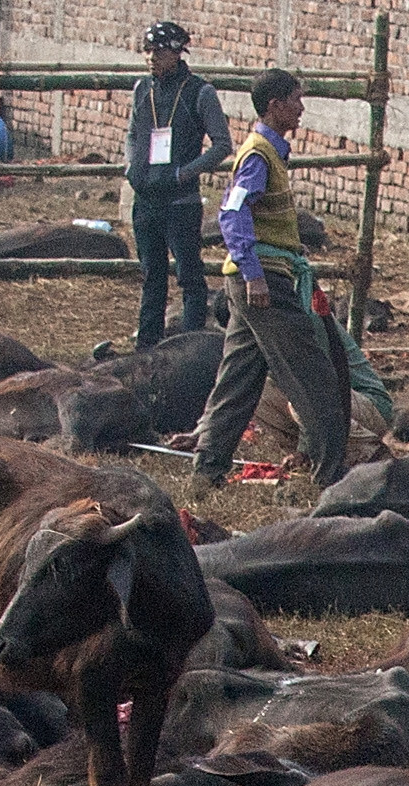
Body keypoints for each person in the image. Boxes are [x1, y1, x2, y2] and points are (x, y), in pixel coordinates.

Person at [184, 67, 349, 491]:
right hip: (262, 283)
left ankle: (207, 470)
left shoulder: (269, 152)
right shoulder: (258, 155)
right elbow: (232, 214)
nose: (302, 107)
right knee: (314, 374)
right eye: (295, 99)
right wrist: (255, 275)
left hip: (252, 280)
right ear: (274, 106)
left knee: (240, 377)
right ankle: (331, 475)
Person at [121, 17, 226, 348]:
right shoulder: (143, 90)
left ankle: (189, 343)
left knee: (189, 274)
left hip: (181, 201)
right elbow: (132, 134)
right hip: (146, 196)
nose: (152, 57)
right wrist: (131, 168)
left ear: (178, 53)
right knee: (152, 275)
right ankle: (148, 344)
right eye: (147, 50)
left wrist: (185, 172)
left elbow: (222, 144)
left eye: (159, 51)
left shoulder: (199, 92)